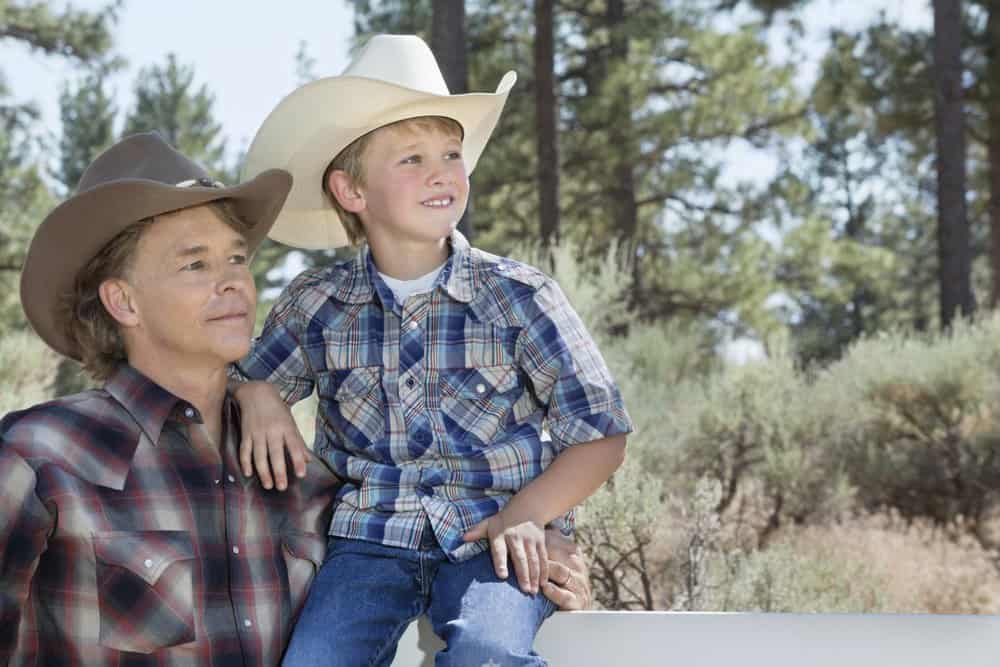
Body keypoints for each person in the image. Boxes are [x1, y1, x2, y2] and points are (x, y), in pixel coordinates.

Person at [233, 34, 633, 666]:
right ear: (351, 192)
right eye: (411, 159)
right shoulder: (317, 303)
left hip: (493, 535)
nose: (443, 171)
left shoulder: (519, 296)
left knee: (487, 650)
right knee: (314, 661)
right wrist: (254, 391)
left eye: (452, 153)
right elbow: (234, 380)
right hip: (368, 538)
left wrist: (528, 515)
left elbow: (600, 433)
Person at [0, 132, 339, 665]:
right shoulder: (39, 455)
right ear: (124, 301)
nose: (232, 282)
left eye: (236, 259)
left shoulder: (302, 475)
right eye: (195, 264)